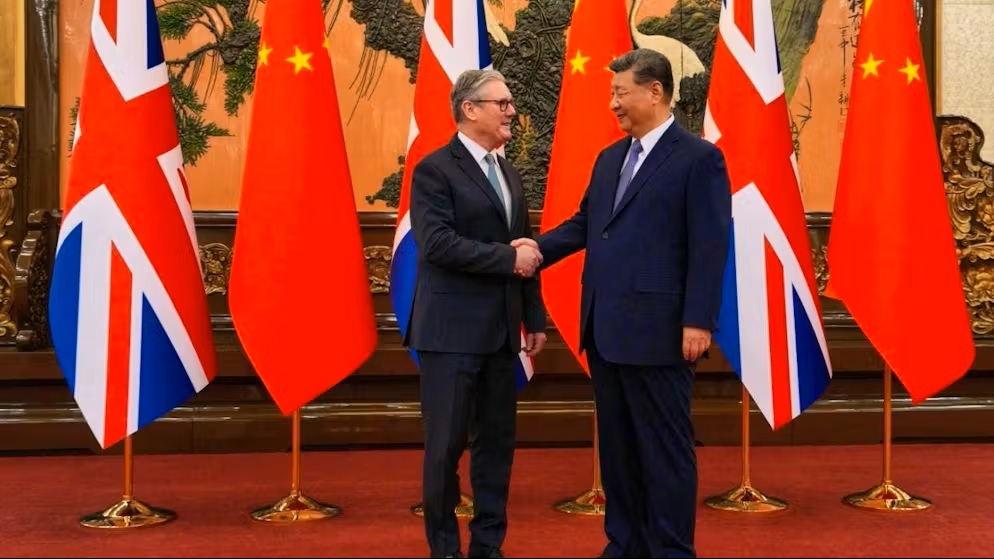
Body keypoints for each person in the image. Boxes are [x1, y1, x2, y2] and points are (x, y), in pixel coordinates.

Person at [515, 49, 731, 558]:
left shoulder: (698, 158)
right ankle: (625, 545)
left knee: (665, 452)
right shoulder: (610, 157)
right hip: (606, 330)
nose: (612, 103)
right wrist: (531, 250)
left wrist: (698, 319)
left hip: (661, 332)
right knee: (618, 452)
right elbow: (586, 225)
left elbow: (709, 244)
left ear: (655, 91)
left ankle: (671, 549)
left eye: (620, 92)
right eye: (612, 93)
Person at [407, 68, 548, 559]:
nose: (512, 111)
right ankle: (444, 549)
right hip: (450, 335)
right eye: (502, 103)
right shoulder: (433, 169)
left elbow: (527, 244)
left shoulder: (508, 171)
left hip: (502, 334)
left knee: (496, 451)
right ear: (470, 109)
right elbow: (438, 244)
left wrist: (535, 317)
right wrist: (508, 259)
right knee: (444, 449)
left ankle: (488, 547)